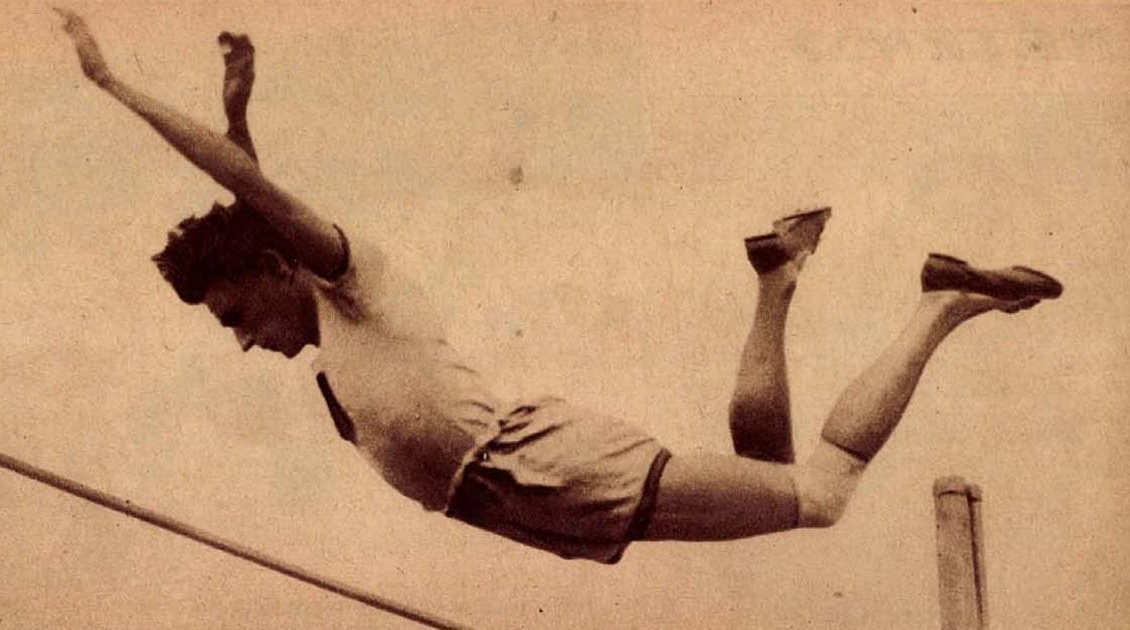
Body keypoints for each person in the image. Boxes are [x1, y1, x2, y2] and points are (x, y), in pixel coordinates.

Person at [55, 9, 1063, 564]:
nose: (241, 341)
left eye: (234, 316)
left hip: (538, 468)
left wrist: (114, 84)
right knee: (769, 467)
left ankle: (937, 305)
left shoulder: (352, 287)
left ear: (278, 269)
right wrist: (241, 119)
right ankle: (776, 281)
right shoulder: (327, 332)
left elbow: (255, 202)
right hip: (525, 496)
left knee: (824, 496)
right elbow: (254, 211)